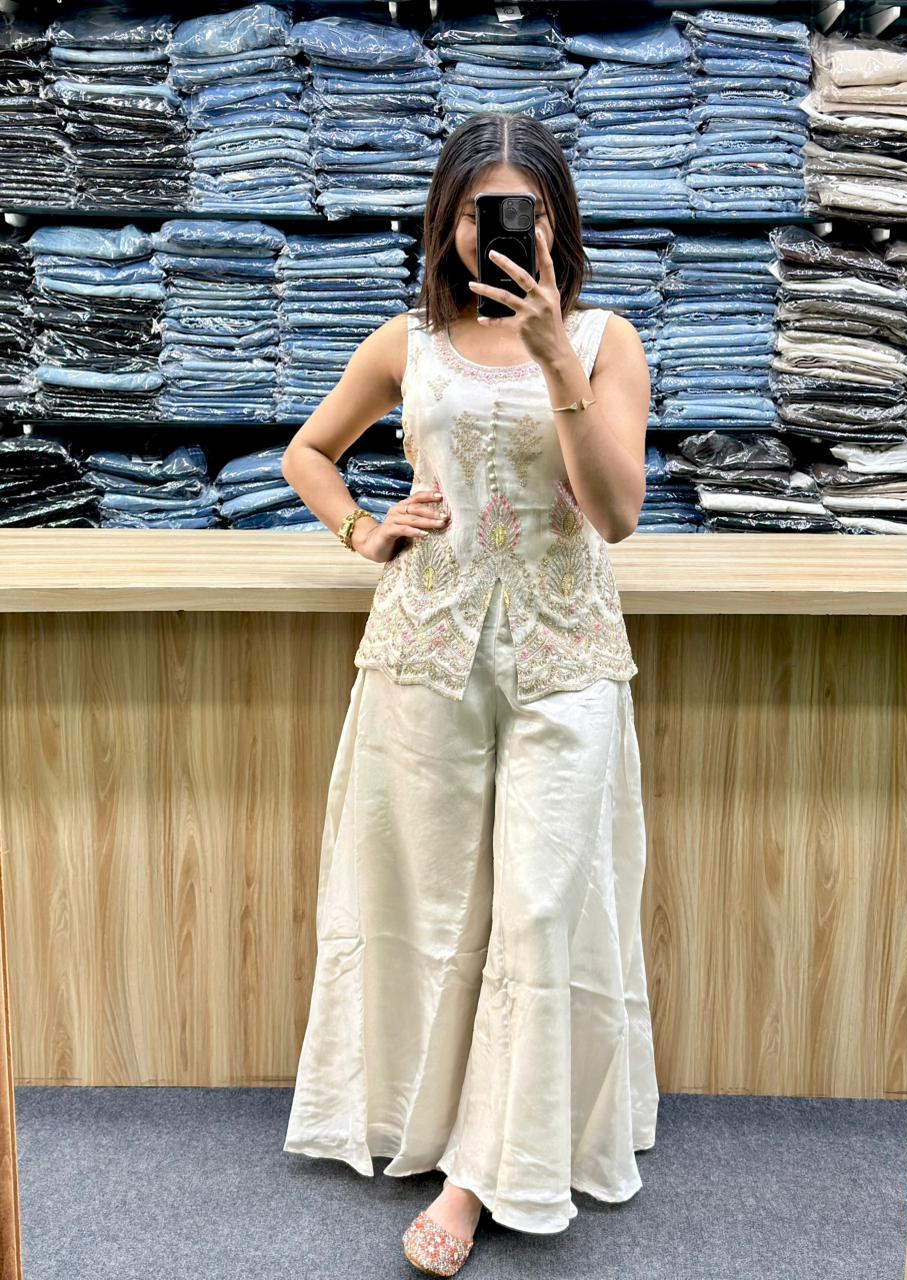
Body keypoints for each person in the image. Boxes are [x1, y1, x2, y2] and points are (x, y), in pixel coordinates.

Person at [280, 111, 659, 1277]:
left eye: (522, 212)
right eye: (477, 211)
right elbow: (308, 451)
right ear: (446, 221)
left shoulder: (602, 341)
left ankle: (477, 1177)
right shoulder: (409, 343)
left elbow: (617, 513)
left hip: (563, 653)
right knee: (436, 901)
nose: (496, 231)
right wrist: (362, 528)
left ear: (554, 222)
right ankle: (441, 1118)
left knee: (541, 906)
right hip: (426, 645)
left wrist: (553, 358)